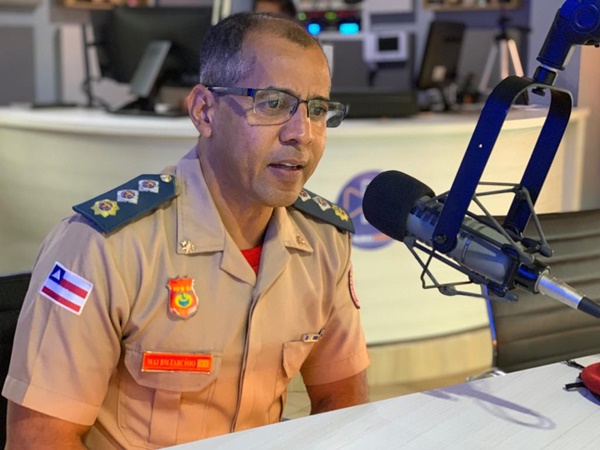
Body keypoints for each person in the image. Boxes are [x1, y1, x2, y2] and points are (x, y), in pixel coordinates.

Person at [3, 12, 370, 449]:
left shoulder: (325, 241)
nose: (302, 133)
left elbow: (341, 400)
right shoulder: (103, 246)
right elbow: (39, 439)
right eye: (273, 103)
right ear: (204, 111)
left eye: (318, 110)